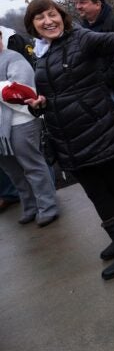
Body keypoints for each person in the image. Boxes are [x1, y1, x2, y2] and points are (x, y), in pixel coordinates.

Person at [23, 0, 114, 280]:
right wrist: (38, 103)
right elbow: (54, 91)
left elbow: (113, 42)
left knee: (103, 190)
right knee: (105, 189)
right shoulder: (42, 52)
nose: (48, 21)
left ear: (62, 16)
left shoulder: (81, 38)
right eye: (40, 18)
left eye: (52, 15)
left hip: (96, 127)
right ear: (33, 25)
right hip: (66, 134)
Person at [67, 0, 114, 180]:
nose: (78, 7)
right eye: (76, 2)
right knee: (106, 130)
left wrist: (102, 80)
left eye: (83, 2)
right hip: (96, 90)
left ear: (97, 4)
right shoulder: (80, 29)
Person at [0, 28, 58, 227]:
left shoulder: (13, 58)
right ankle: (30, 206)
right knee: (13, 171)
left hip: (20, 122)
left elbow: (21, 91)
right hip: (1, 132)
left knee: (32, 165)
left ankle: (47, 206)